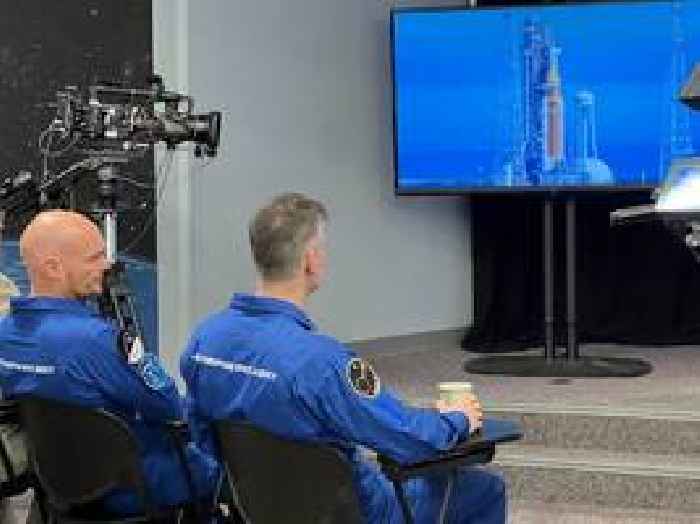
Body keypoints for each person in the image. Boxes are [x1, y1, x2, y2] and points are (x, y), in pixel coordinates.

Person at [181, 193, 506, 523]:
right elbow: (406, 437)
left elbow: (203, 438)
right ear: (310, 261)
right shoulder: (324, 363)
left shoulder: (204, 341)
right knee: (483, 489)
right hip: (356, 513)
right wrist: (458, 419)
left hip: (254, 509)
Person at [0, 210, 219, 516]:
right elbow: (167, 404)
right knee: (214, 455)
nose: (106, 265)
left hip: (55, 485)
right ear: (53, 267)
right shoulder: (97, 340)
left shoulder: (5, 335)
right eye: (95, 257)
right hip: (127, 486)